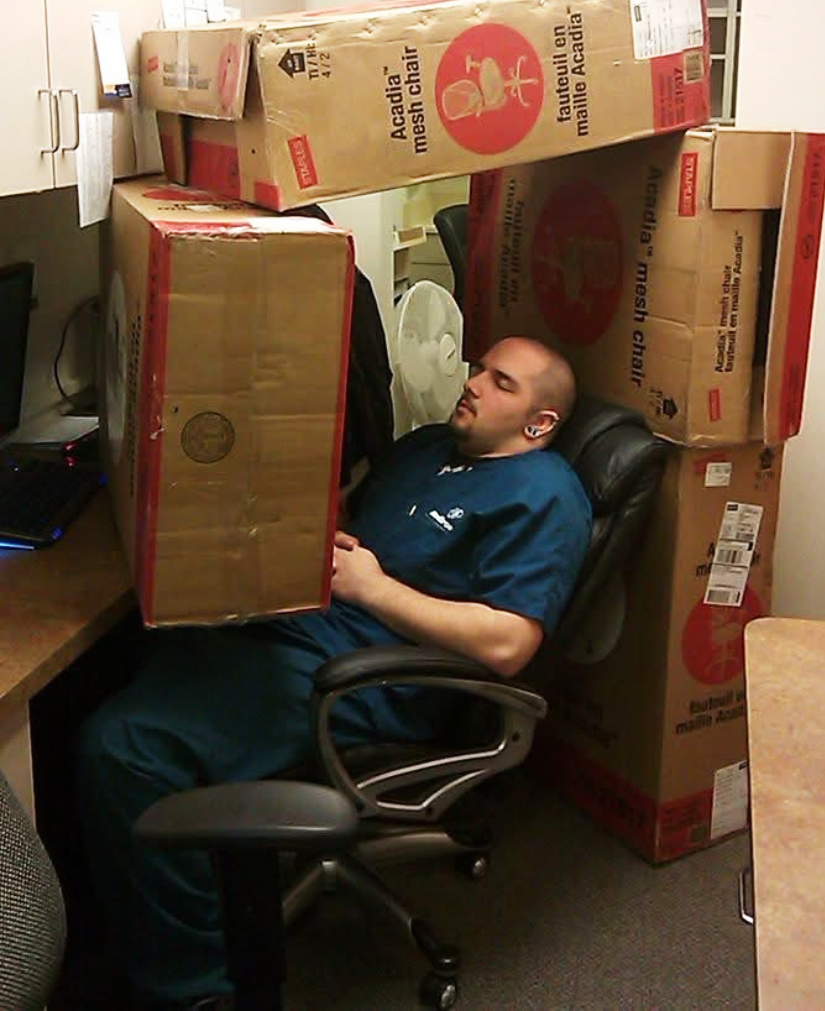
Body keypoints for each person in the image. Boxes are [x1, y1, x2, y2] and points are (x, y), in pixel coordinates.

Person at [76, 336, 592, 1010]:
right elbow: (351, 515)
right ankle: (127, 900)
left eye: (501, 382)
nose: (472, 383)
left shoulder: (546, 495)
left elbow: (509, 643)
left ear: (539, 423)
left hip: (369, 677)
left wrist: (372, 590)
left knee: (123, 747)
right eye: (477, 368)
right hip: (305, 623)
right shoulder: (430, 446)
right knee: (127, 645)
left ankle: (193, 988)